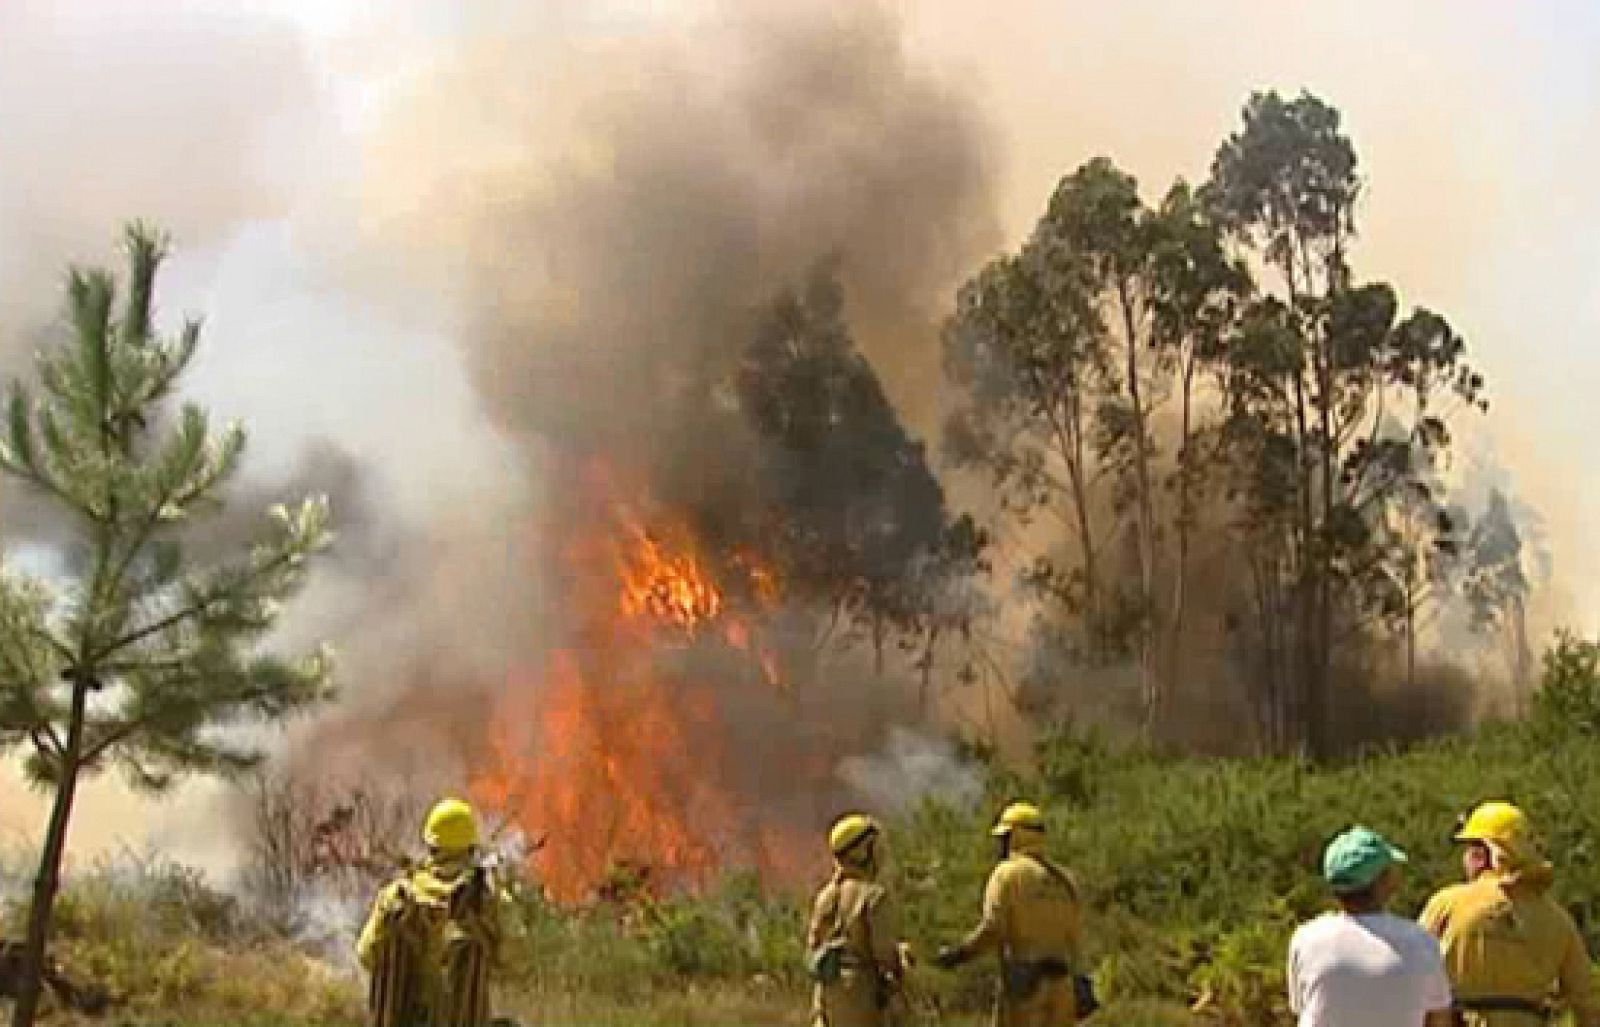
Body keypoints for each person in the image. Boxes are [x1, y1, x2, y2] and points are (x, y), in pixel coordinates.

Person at [1419, 801, 1600, 1027]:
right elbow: (1588, 1001)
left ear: (1480, 853)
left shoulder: (1447, 903)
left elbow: (1412, 969)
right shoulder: (1558, 920)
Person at [931, 801, 1088, 1026]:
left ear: (1015, 837)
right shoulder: (1065, 881)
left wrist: (959, 953)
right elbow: (1075, 939)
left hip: (1025, 989)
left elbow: (994, 929)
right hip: (1063, 989)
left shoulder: (1007, 874)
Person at [357, 797, 503, 1027]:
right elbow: (517, 963)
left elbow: (366, 954)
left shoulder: (396, 896)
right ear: (470, 848)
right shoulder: (485, 899)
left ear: (430, 846)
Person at [1286, 826, 1452, 1027]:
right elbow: (1439, 1019)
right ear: (1383, 882)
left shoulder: (1306, 940)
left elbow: (1302, 1008)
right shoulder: (1421, 943)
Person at [806, 813, 909, 1027]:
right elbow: (884, 955)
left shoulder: (825, 896)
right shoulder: (873, 896)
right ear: (862, 850)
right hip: (861, 998)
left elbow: (813, 946)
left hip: (826, 997)